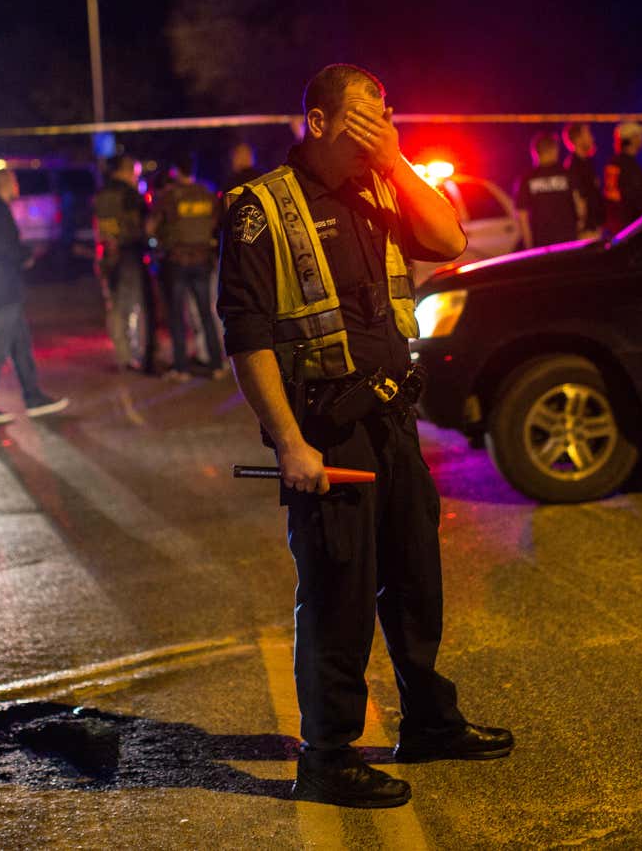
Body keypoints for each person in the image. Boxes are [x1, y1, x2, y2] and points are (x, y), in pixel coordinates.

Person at [218, 63, 513, 810]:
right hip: (326, 428)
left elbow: (445, 238)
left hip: (393, 422)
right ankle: (327, 756)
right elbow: (247, 337)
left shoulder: (380, 185)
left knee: (416, 577)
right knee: (338, 591)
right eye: (364, 119)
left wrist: (396, 159)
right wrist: (289, 444)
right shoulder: (260, 209)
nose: (380, 129)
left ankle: (429, 721)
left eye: (387, 115)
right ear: (317, 122)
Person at [0, 169, 69, 424]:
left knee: (20, 346)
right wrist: (25, 255)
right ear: (5, 184)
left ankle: (34, 398)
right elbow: (4, 248)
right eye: (13, 181)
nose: (17, 186)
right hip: (2, 290)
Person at [149, 159, 224, 380]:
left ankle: (181, 368)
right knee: (206, 314)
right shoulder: (207, 194)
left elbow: (151, 228)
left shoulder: (170, 197)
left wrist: (161, 240)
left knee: (176, 315)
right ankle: (217, 365)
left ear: (176, 172)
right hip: (203, 260)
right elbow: (215, 224)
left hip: (177, 262)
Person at [92, 154, 158, 374]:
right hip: (130, 254)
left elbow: (98, 227)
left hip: (107, 255)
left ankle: (122, 355)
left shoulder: (101, 195)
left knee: (115, 306)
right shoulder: (130, 195)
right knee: (135, 306)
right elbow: (146, 225)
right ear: (127, 170)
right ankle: (135, 355)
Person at [513, 131, 579, 248]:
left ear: (535, 153)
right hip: (568, 241)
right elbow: (580, 205)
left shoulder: (527, 179)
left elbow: (522, 216)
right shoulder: (567, 174)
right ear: (554, 150)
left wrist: (529, 246)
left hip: (541, 245)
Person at [603, 120, 642, 234]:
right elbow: (634, 196)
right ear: (632, 138)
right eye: (640, 136)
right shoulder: (628, 165)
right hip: (628, 225)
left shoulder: (614, 162)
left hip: (616, 222)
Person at [562, 122, 603, 239]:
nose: (592, 138)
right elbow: (578, 200)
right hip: (586, 232)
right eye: (588, 134)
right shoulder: (573, 167)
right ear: (578, 139)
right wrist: (582, 226)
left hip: (595, 228)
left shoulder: (589, 162)